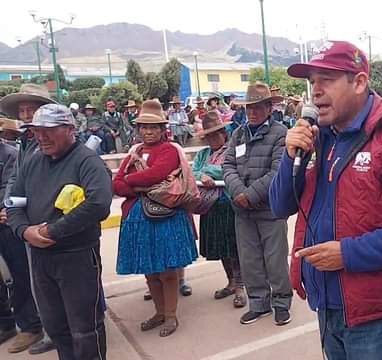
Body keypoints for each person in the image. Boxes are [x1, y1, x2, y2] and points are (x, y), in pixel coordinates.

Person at [270, 40, 382, 360]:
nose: (316, 91)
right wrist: (289, 156)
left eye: (327, 80)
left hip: (376, 313)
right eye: (312, 82)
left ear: (360, 81)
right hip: (328, 303)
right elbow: (281, 206)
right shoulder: (318, 137)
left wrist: (348, 253)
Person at [7, 104, 112, 359]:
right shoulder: (33, 162)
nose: (41, 137)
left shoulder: (86, 161)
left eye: (49, 130)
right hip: (41, 259)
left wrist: (53, 231)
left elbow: (98, 203)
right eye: (37, 131)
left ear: (69, 129)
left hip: (77, 257)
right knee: (56, 326)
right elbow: (14, 201)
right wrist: (24, 230)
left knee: (85, 328)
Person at [113, 100, 198, 338]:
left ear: (163, 129)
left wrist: (133, 182)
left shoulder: (170, 151)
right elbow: (116, 183)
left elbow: (157, 174)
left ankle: (170, 315)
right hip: (139, 218)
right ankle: (159, 312)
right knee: (150, 270)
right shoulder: (134, 153)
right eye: (143, 127)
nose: (148, 132)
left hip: (164, 217)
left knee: (168, 269)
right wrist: (139, 187)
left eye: (153, 128)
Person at [223, 82, 292, 326]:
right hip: (243, 211)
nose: (252, 112)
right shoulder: (238, 133)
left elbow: (278, 170)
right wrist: (238, 191)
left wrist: (250, 194)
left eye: (258, 107)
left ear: (268, 108)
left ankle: (281, 303)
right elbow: (227, 164)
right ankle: (259, 304)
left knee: (275, 261)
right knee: (250, 260)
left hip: (270, 209)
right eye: (249, 108)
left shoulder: (280, 133)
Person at [0, 84, 57, 355]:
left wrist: (10, 208)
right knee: (33, 278)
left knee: (53, 279)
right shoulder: (24, 141)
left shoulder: (53, 139)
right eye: (21, 110)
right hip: (24, 218)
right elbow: (17, 181)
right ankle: (45, 328)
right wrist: (11, 206)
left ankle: (56, 329)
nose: (25, 114)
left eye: (30, 109)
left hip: (49, 220)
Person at [192, 111, 246, 308]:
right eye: (209, 135)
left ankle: (240, 285)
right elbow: (193, 171)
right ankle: (231, 282)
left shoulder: (233, 150)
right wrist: (203, 174)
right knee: (221, 248)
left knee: (233, 246)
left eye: (216, 134)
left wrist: (208, 173)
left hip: (229, 205)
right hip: (210, 207)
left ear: (224, 133)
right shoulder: (202, 154)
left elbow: (230, 169)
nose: (213, 138)